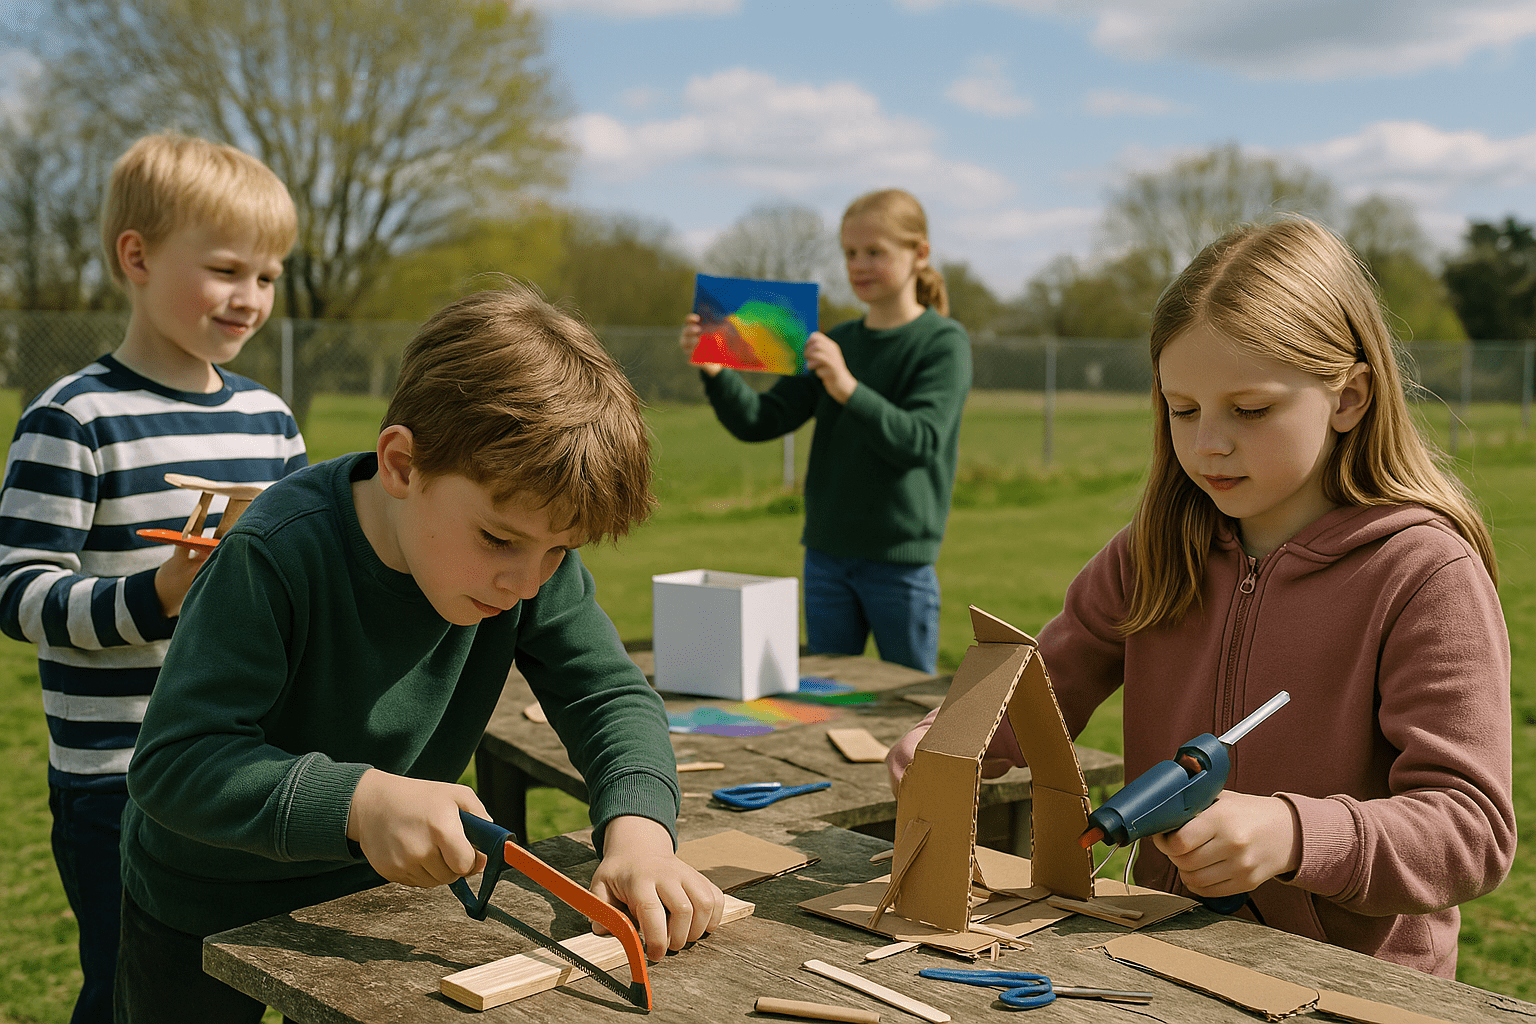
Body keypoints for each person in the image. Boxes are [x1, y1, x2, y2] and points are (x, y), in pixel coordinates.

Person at [886, 216, 1514, 978]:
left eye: (1249, 411)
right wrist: (956, 733)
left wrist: (1292, 834)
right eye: (1182, 410)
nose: (1208, 443)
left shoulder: (1422, 574)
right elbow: (1044, 683)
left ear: (1348, 397)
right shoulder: (1154, 546)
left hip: (1351, 983)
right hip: (1163, 954)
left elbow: (1470, 831)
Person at [116, 284, 726, 1022]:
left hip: (373, 908)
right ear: (402, 465)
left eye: (560, 550)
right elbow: (176, 762)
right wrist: (360, 800)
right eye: (499, 540)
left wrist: (642, 836)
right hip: (203, 904)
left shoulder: (533, 564)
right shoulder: (275, 553)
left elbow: (608, 696)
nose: (526, 580)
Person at [0, 132, 307, 1023]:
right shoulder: (75, 417)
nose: (249, 298)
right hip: (115, 779)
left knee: (240, 985)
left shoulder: (270, 420)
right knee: (135, 994)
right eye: (225, 270)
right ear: (136, 255)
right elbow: (17, 592)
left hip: (248, 765)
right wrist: (159, 595)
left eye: (269, 276)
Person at [681, 189, 972, 675]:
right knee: (828, 698)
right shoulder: (834, 342)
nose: (858, 265)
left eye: (875, 252)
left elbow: (920, 443)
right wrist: (716, 370)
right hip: (826, 561)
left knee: (908, 706)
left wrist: (846, 387)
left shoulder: (943, 343)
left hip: (900, 567)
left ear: (919, 253)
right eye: (850, 253)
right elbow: (759, 421)